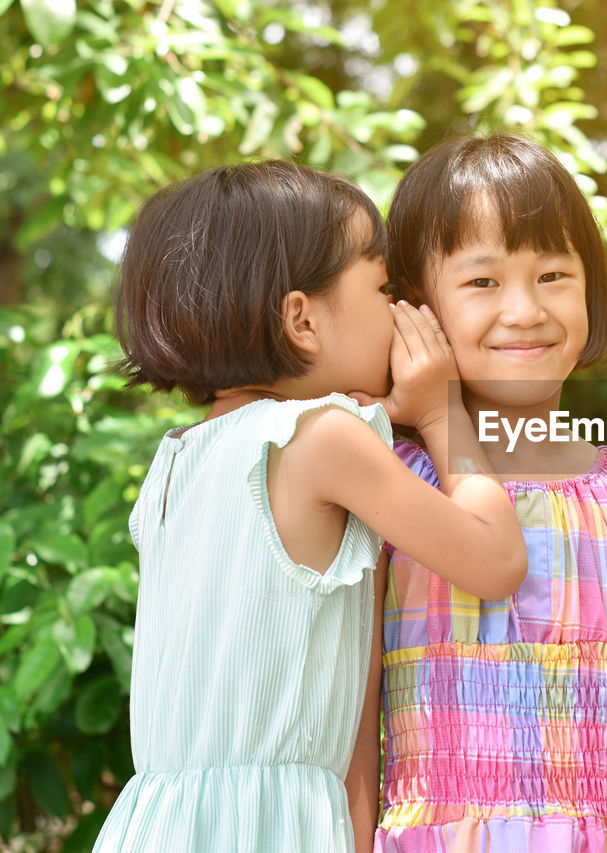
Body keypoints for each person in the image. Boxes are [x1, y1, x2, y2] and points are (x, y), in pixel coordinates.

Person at [93, 161, 527, 853]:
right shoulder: (325, 440)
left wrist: (384, 410)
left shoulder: (179, 459)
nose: (399, 310)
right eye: (384, 286)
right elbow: (497, 558)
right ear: (301, 319)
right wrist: (443, 414)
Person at [372, 134, 607, 852]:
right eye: (482, 282)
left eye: (554, 274)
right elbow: (349, 735)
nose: (526, 309)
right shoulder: (388, 481)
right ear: (416, 310)